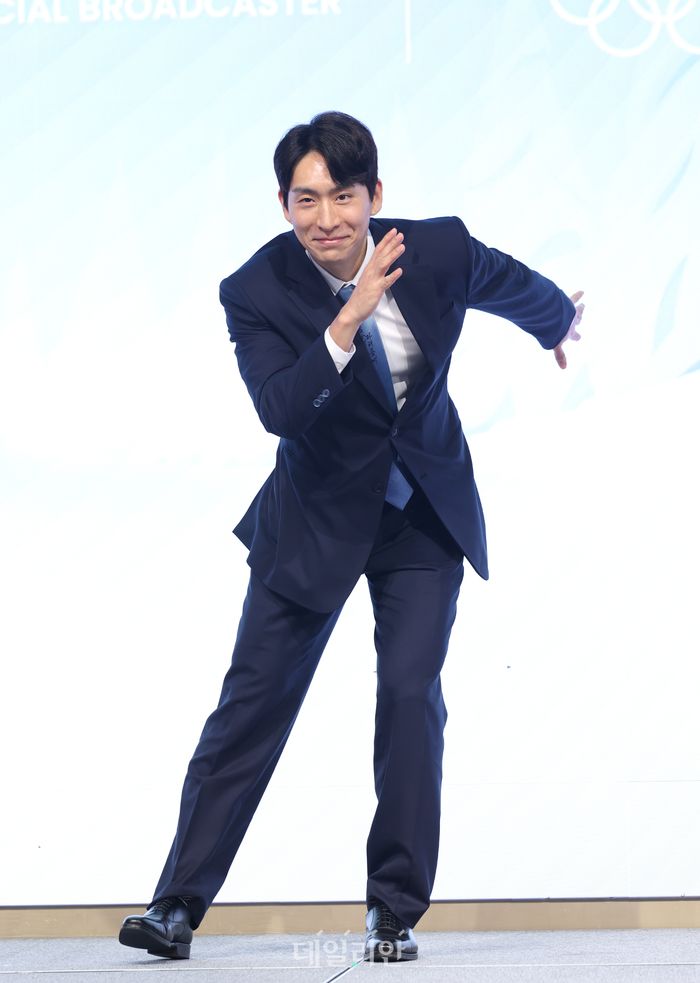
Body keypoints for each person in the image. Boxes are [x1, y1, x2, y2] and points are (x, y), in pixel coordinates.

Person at [119, 111, 584, 964]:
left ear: (375, 194)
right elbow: (281, 410)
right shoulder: (255, 290)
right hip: (315, 521)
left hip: (420, 513)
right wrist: (346, 321)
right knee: (252, 706)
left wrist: (556, 321)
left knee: (409, 694)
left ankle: (391, 910)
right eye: (306, 199)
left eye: (343, 195)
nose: (326, 217)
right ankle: (175, 903)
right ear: (283, 205)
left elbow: (506, 280)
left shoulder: (434, 249)